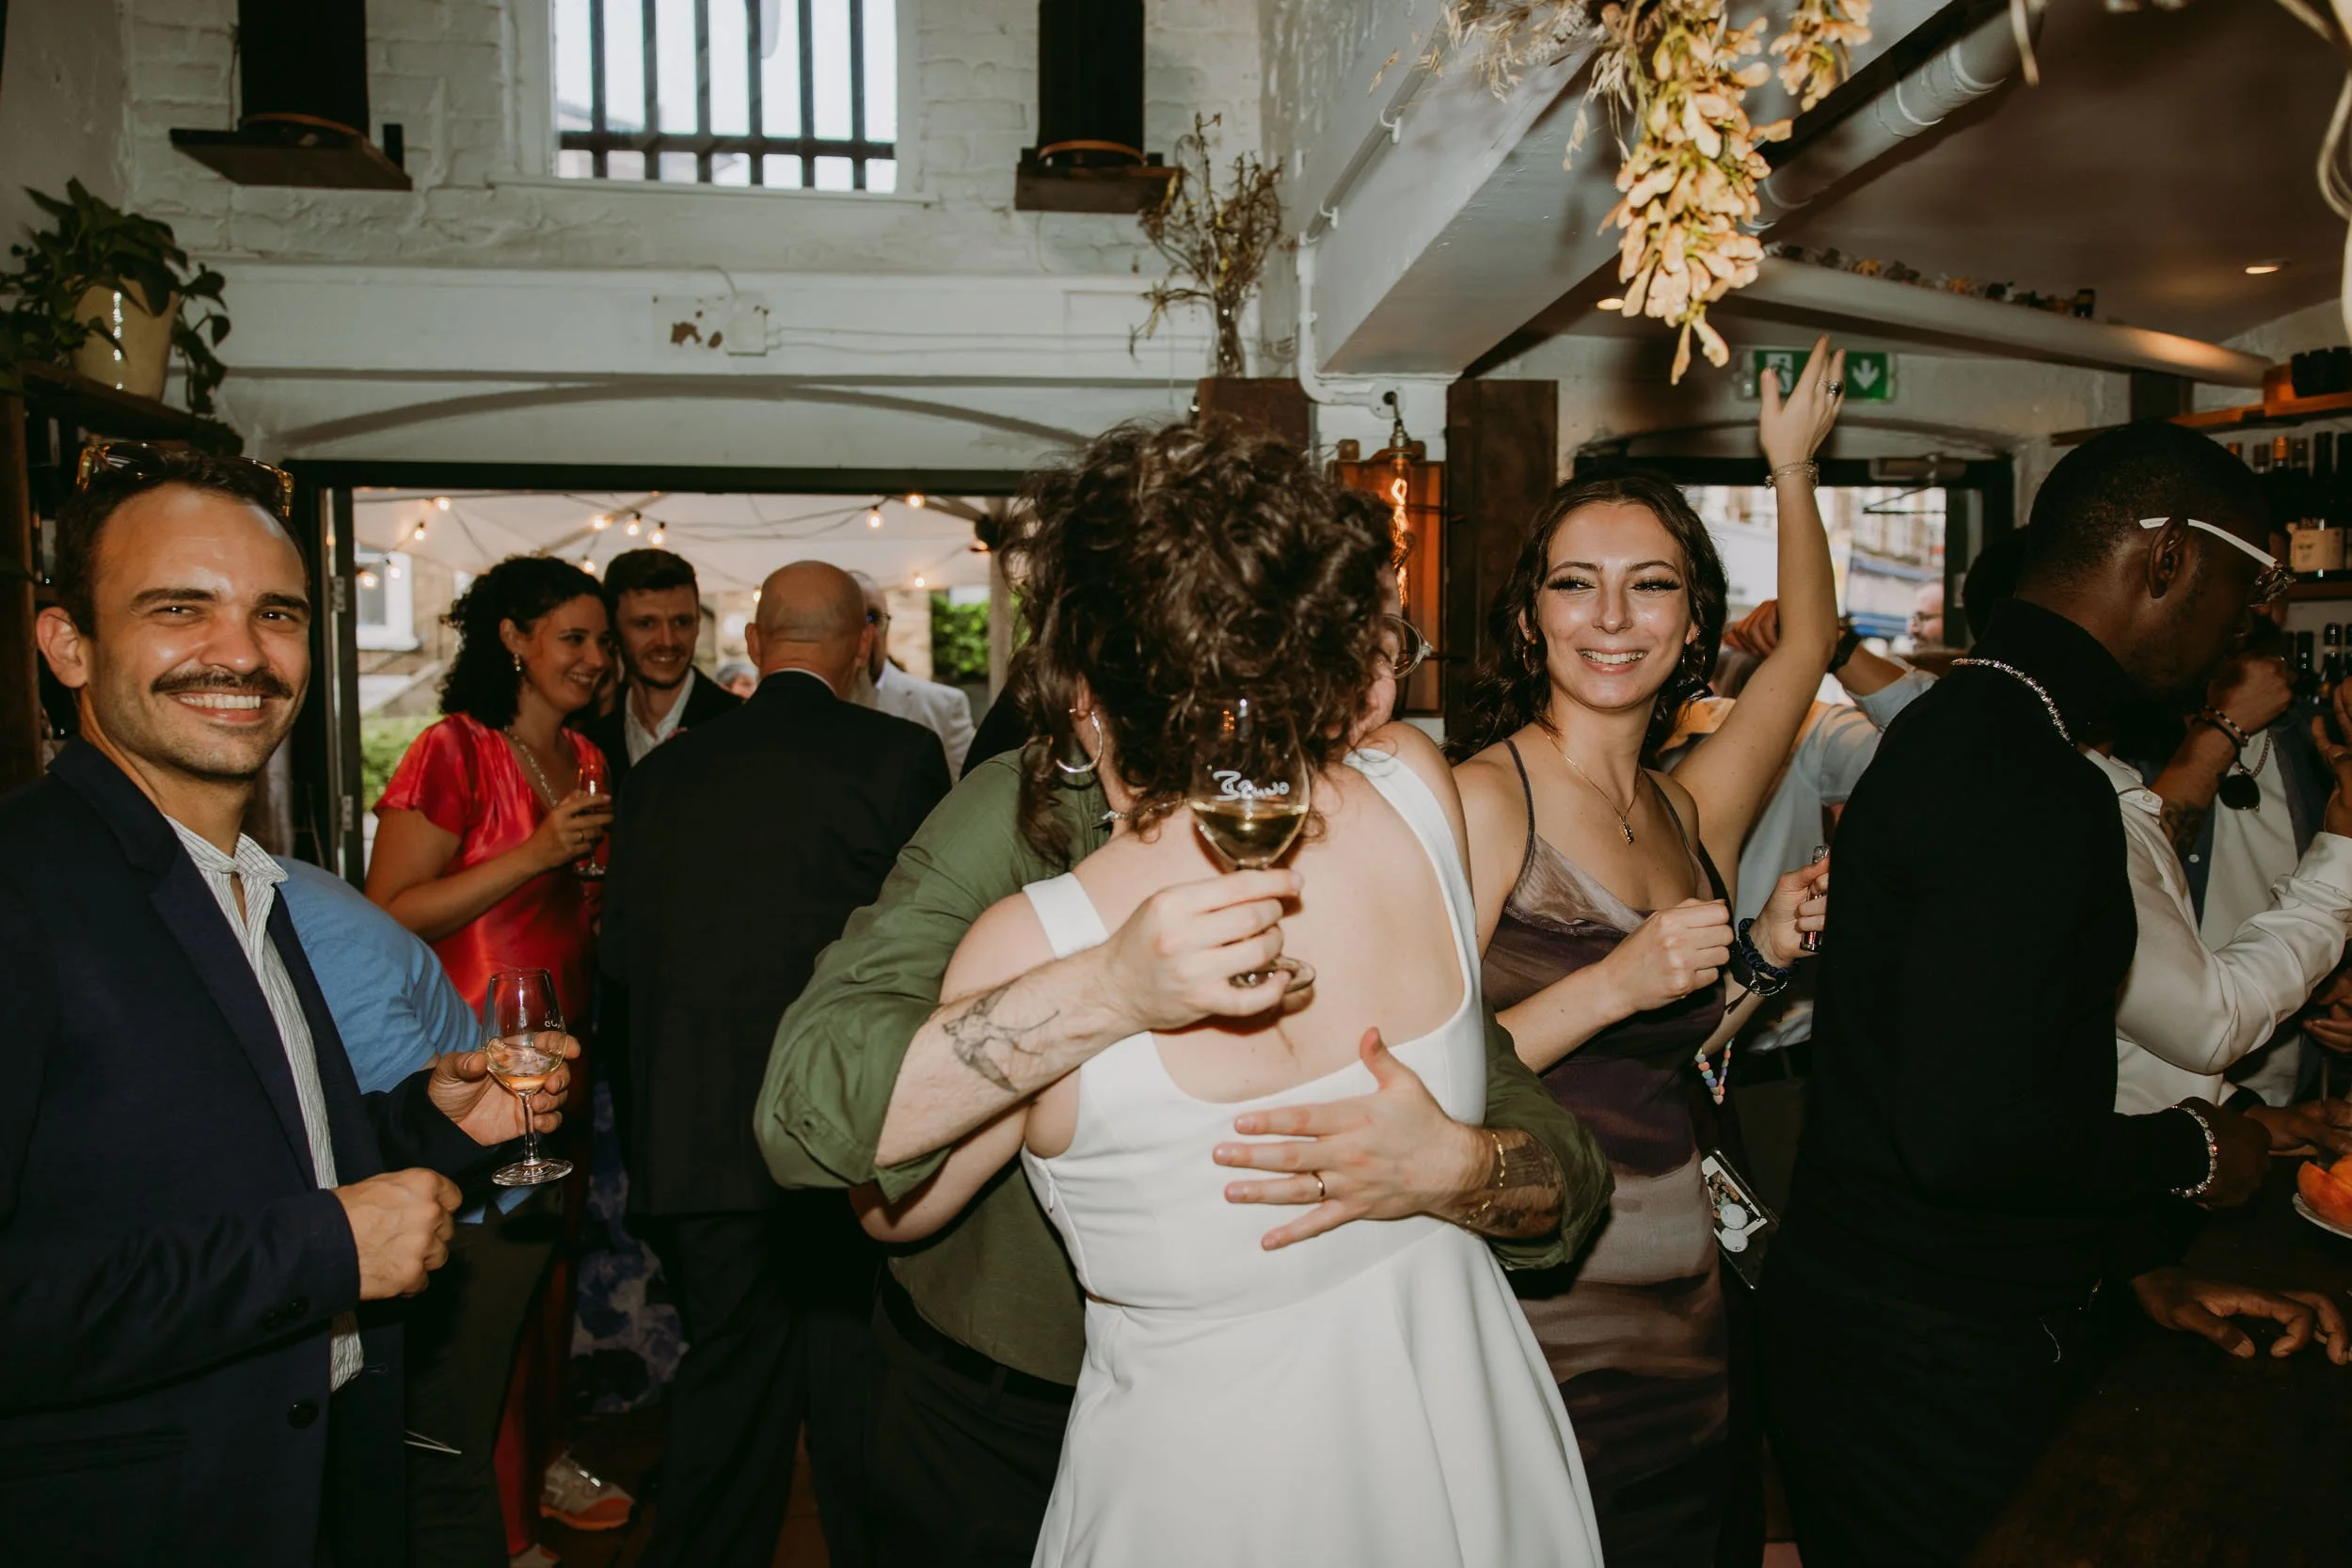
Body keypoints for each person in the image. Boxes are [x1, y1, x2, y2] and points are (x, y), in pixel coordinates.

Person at [756, 423, 1613, 1568]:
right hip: (1451, 1417)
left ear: (1087, 678)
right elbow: (827, 1128)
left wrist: (1459, 1166)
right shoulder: (1414, 783)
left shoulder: (1038, 936)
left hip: (1221, 1470)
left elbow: (887, 1210)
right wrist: (1114, 990)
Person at [1759, 420, 2323, 1568]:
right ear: (2167, 557)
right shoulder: (2025, 777)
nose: (2248, 619)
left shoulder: (1978, 728)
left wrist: (2139, 1266)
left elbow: (1987, 1066)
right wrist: (2192, 1148)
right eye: (2251, 582)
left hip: (1902, 1322)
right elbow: (1968, 1136)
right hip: (1924, 1358)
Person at [1, 445, 567, 1568]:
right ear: (69, 644)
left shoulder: (235, 877)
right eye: (179, 607)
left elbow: (247, 1159)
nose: (242, 653)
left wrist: (430, 1122)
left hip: (302, 1475)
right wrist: (316, 1252)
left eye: (277, 613)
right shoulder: (23, 887)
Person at [1450, 341, 1845, 1567]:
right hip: (1537, 1292)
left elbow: (1809, 643)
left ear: (1693, 622)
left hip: (1686, 1296)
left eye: (1651, 585)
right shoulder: (1484, 798)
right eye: (1576, 584)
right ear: (1532, 616)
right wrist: (1613, 979)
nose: (1612, 618)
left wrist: (1790, 470)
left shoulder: (1687, 807)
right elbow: (1422, 1071)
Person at [602, 562, 950, 1568]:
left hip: (700, 1136)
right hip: (849, 1126)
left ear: (755, 645)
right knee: (859, 1389)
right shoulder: (899, 757)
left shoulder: (662, 775)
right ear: (861, 645)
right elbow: (937, 949)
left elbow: (621, 964)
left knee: (728, 1385)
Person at [367, 555, 627, 1555]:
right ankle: (493, 1519)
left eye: (601, 640)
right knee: (482, 1290)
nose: (595, 658)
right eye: (574, 637)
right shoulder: (455, 749)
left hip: (563, 1047)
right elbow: (391, 911)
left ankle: (537, 1466)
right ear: (513, 638)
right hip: (473, 1058)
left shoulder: (586, 754)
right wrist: (536, 854)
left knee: (547, 1280)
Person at [276, 855, 574, 1568]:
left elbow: (403, 1139)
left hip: (473, 1217)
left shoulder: (314, 934)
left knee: (429, 1464)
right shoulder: (282, 891)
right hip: (464, 1203)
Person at [579, 548, 741, 789]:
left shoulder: (738, 725)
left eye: (681, 622)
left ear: (697, 625)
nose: (667, 640)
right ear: (613, 631)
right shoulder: (592, 741)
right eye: (646, 624)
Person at [850, 569, 977, 775]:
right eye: (851, 619)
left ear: (886, 624)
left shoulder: (942, 707)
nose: (866, 632)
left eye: (872, 617)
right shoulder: (808, 705)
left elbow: (971, 787)